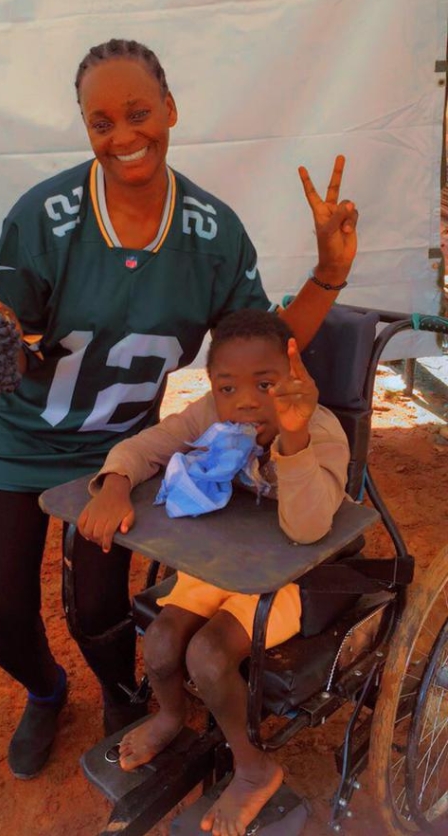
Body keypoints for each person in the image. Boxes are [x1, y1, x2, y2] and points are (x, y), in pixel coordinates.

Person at [0, 38, 357, 781]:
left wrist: (327, 274)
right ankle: (45, 690)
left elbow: (260, 352)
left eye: (139, 113)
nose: (123, 136)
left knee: (99, 609)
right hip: (19, 435)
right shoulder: (45, 216)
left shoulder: (212, 232)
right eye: (101, 122)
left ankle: (118, 691)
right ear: (85, 127)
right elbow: (14, 367)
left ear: (170, 109)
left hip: (122, 446)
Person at [79, 308, 349, 835]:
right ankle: (170, 716)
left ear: (292, 377)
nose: (245, 401)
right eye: (228, 387)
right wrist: (115, 483)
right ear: (213, 388)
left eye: (265, 384)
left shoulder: (321, 432)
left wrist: (293, 439)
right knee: (161, 643)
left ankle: (253, 768)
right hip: (225, 560)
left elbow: (308, 529)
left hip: (293, 577)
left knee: (207, 655)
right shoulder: (211, 415)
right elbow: (144, 447)